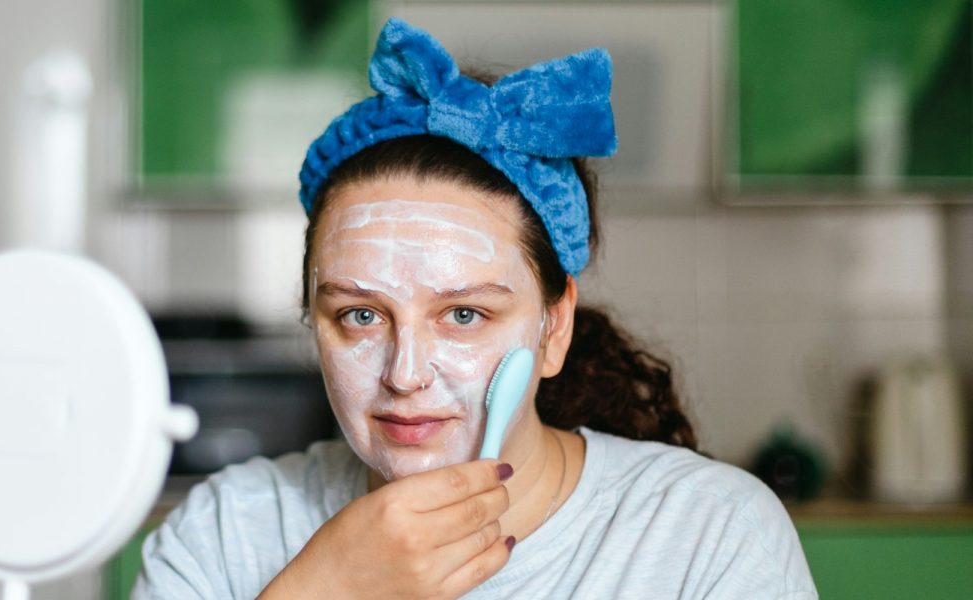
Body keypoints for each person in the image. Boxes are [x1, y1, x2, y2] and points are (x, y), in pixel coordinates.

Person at [133, 18, 816, 599]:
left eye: (464, 315)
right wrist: (323, 587)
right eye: (360, 316)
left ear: (554, 328)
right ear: (314, 321)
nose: (406, 375)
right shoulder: (223, 533)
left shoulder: (710, 536)